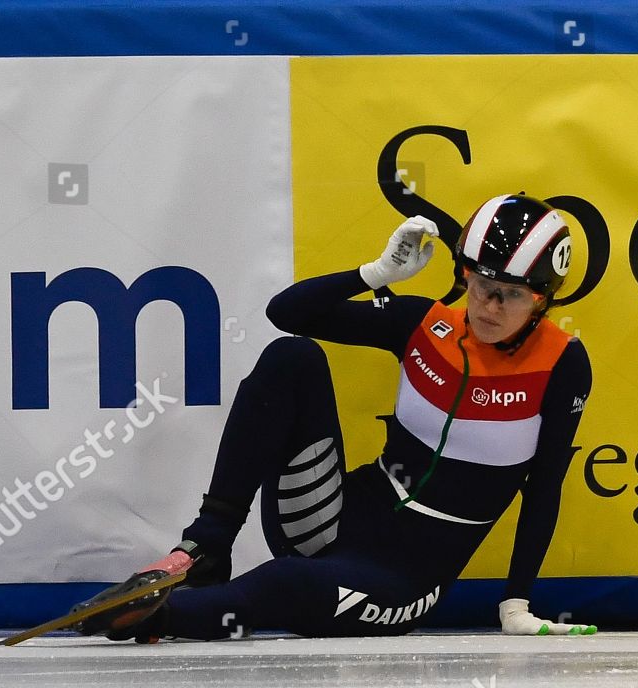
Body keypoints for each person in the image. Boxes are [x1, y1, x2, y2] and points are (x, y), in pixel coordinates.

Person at [74, 194, 595, 641]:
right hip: (329, 517)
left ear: (544, 299)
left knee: (284, 581)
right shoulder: (425, 323)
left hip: (402, 579)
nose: (490, 307)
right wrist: (375, 275)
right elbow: (286, 313)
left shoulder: (562, 363)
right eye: (482, 285)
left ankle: (160, 616)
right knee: (292, 356)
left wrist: (516, 604)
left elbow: (544, 486)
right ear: (464, 276)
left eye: (512, 295)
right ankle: (206, 547)